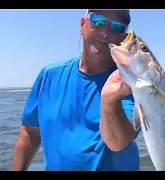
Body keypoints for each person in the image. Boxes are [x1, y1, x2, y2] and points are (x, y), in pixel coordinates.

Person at [11, 9, 141, 171]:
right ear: (82, 24)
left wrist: (109, 101)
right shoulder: (48, 75)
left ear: (124, 37)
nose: (106, 32)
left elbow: (118, 141)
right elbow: (29, 132)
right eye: (98, 20)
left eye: (117, 26)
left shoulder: (131, 84)